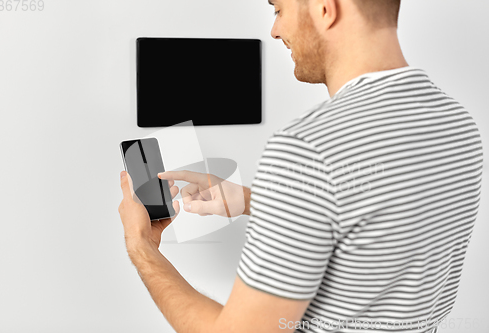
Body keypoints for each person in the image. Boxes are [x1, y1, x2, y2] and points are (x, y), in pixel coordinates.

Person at [118, 0, 484, 332]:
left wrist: (142, 246)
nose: (274, 30)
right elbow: (380, 220)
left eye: (278, 10)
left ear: (326, 8)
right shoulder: (458, 125)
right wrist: (254, 200)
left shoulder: (308, 147)